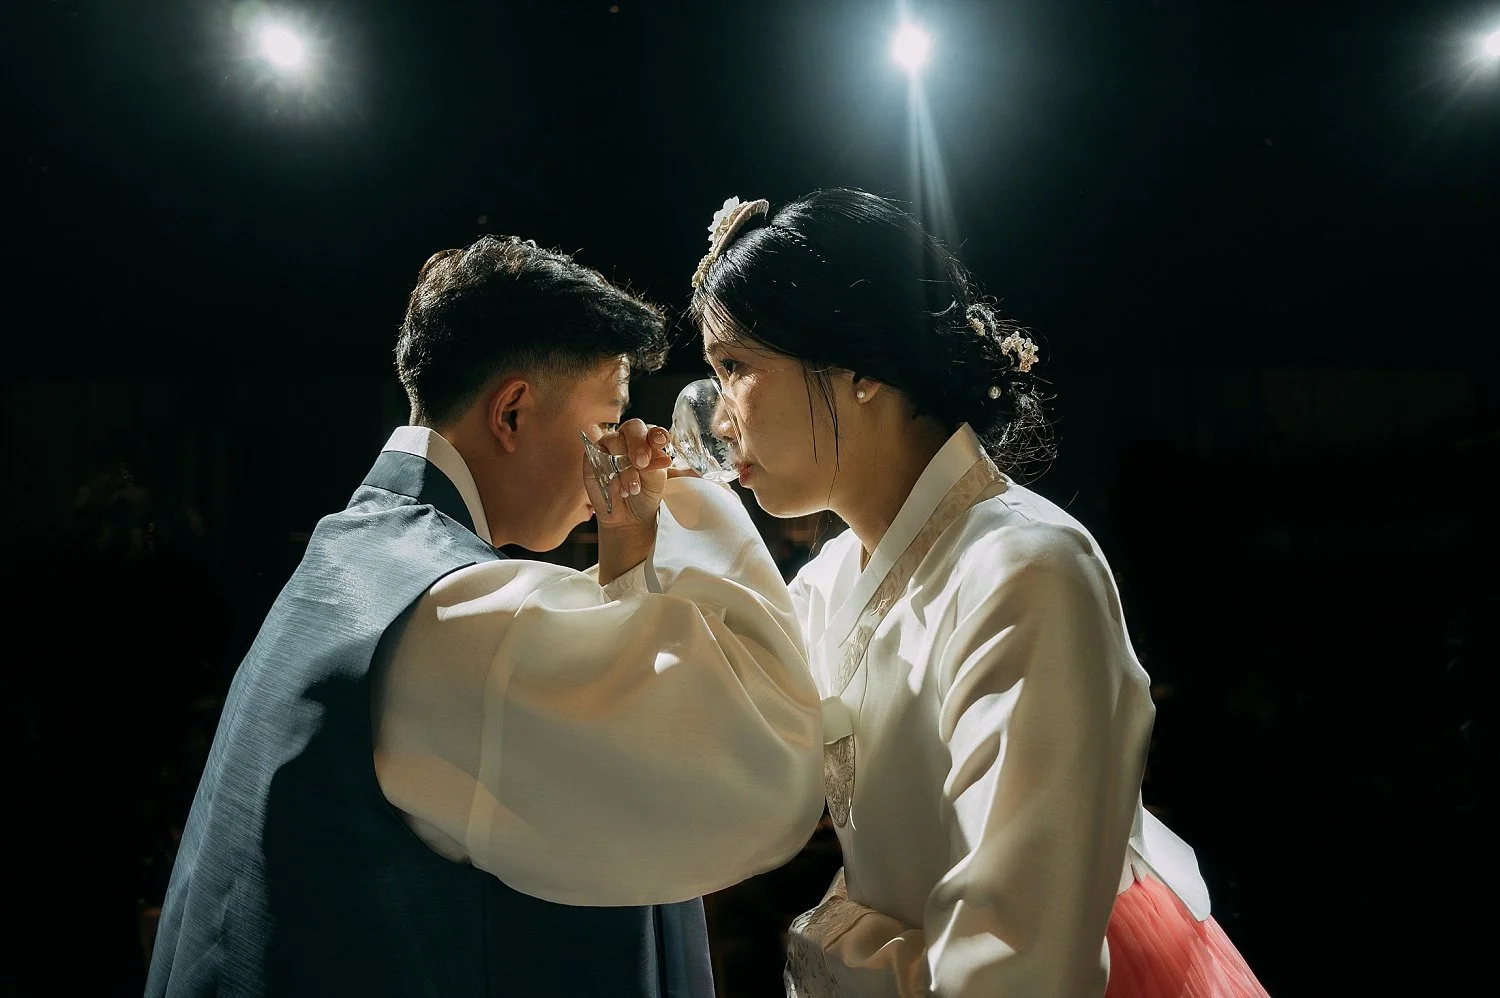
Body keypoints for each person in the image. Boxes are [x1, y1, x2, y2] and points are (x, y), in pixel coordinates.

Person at [146, 235, 826, 998]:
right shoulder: (455, 616)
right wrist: (691, 492)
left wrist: (629, 543)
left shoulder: (357, 553)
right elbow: (760, 775)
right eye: (606, 424)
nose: (621, 454)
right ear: (511, 412)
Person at [687, 190, 1270, 997]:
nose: (718, 419)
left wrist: (840, 948)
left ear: (861, 364)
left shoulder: (1026, 569)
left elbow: (1018, 949)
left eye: (736, 368)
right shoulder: (825, 582)